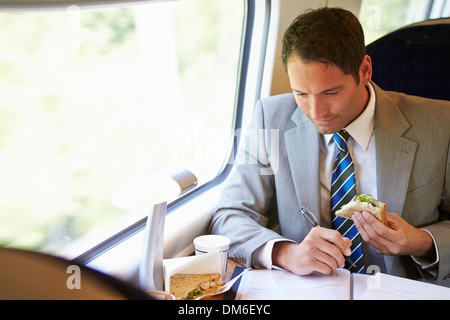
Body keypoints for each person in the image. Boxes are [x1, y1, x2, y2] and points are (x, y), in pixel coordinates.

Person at [210, 7, 450, 286]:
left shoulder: (441, 123)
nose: (315, 111)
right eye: (301, 93)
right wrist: (288, 253)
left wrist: (421, 242)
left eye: (330, 93)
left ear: (364, 71)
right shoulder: (269, 118)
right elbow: (230, 215)